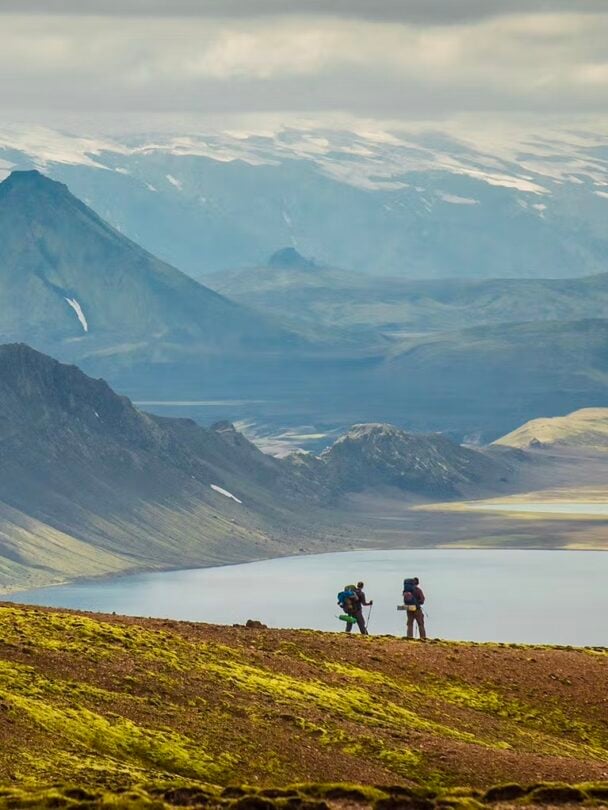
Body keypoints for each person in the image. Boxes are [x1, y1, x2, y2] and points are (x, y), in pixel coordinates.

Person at [404, 576, 426, 641]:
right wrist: (418, 603)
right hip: (416, 609)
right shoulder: (418, 590)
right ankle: (423, 638)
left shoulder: (406, 590)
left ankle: (409, 637)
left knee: (410, 623)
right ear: (417, 583)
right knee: (420, 624)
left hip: (409, 608)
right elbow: (422, 600)